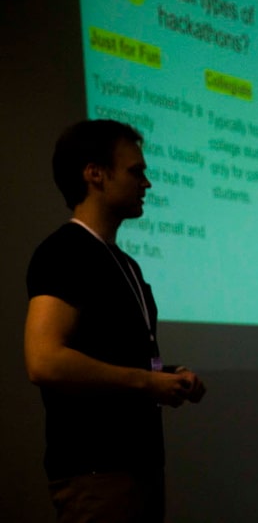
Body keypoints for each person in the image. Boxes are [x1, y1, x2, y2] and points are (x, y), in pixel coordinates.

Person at [24, 119, 206, 522]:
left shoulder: (126, 265)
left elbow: (115, 357)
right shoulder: (65, 252)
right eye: (136, 171)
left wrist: (167, 375)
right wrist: (146, 381)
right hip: (97, 475)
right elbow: (44, 361)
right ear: (95, 174)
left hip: (139, 471)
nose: (148, 184)